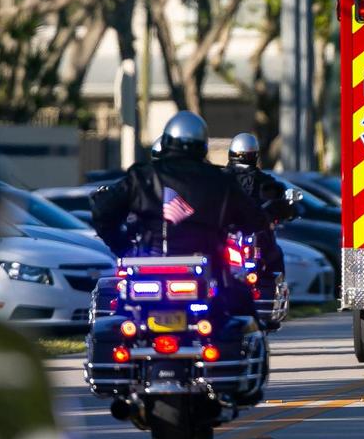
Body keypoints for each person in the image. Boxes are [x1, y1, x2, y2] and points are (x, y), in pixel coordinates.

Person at [91, 112, 264, 314]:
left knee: (120, 316)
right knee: (246, 313)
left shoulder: (142, 177)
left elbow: (102, 212)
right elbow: (253, 220)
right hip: (207, 271)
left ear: (166, 142)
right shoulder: (219, 180)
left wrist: (121, 245)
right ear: (202, 145)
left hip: (147, 271)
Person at [222, 133, 296, 321]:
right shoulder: (267, 182)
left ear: (231, 153)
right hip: (253, 240)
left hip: (232, 239)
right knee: (275, 256)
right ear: (255, 155)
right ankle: (273, 302)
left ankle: (273, 300)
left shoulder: (218, 179)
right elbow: (287, 207)